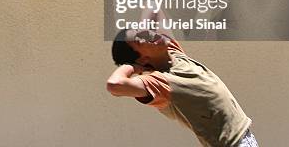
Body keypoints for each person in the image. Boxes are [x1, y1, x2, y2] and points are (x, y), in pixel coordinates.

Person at [107, 29, 258, 147]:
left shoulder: (174, 53)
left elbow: (153, 8)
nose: (149, 32)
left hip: (246, 138)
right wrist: (133, 66)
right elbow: (114, 85)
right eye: (140, 39)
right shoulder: (160, 82)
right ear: (142, 58)